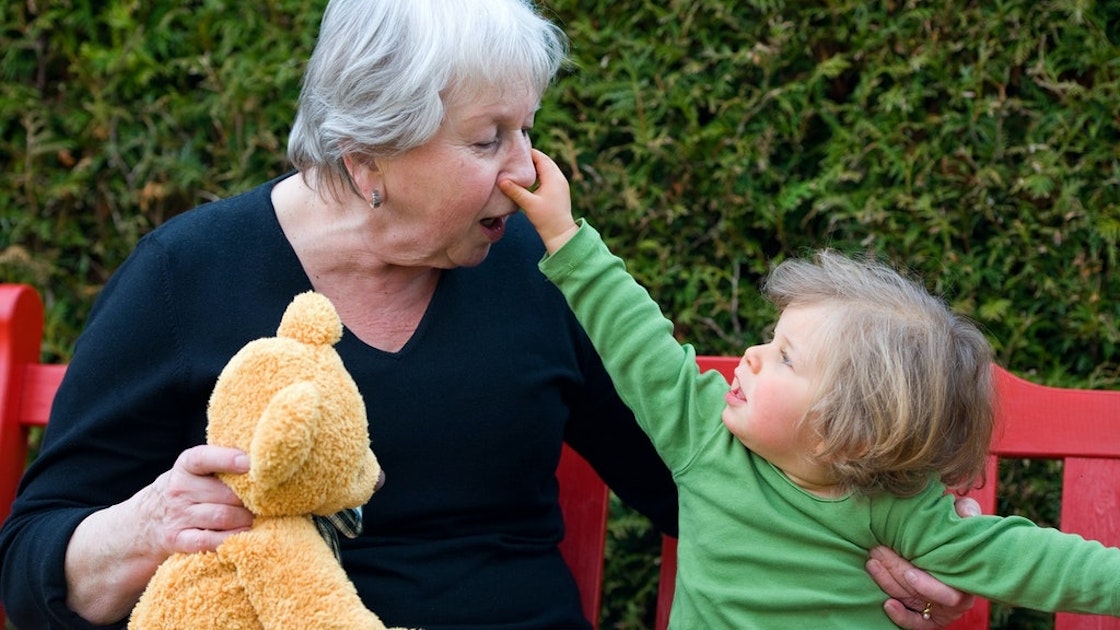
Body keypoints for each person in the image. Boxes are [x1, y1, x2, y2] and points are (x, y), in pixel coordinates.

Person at [0, 1, 979, 629]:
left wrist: (886, 540)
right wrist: (143, 529)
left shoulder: (537, 274)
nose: (527, 171)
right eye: (488, 138)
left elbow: (699, 484)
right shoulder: (186, 277)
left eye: (526, 130)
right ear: (365, 156)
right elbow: (30, 559)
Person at [500, 148, 1120, 628]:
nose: (751, 356)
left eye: (785, 358)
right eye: (771, 340)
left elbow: (1041, 563)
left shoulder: (900, 510)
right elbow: (636, 337)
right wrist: (563, 233)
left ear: (852, 430)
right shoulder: (703, 434)